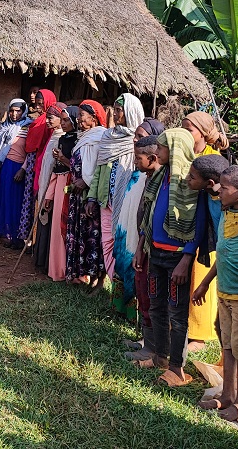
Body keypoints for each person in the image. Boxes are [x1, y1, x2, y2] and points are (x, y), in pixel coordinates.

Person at [192, 165, 238, 421]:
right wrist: (205, 283)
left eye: (225, 188)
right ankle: (227, 395)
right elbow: (223, 252)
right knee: (228, 346)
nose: (219, 191)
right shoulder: (226, 211)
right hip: (224, 293)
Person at [134, 128, 201, 387]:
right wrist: (142, 245)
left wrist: (186, 258)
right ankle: (160, 356)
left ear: (174, 150)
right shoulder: (161, 177)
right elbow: (150, 214)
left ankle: (177, 368)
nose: (157, 152)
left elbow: (198, 223)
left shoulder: (190, 182)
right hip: (155, 253)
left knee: (177, 313)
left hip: (176, 258)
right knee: (157, 305)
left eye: (161, 148)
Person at [93, 93, 145, 318]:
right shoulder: (108, 136)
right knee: (108, 246)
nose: (115, 114)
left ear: (131, 112)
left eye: (119, 110)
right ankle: (117, 292)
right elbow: (99, 169)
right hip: (106, 200)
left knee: (124, 247)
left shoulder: (138, 140)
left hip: (126, 204)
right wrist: (92, 197)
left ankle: (129, 301)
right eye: (114, 109)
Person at [182, 111, 228, 350]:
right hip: (188, 222)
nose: (185, 133)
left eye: (189, 129)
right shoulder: (185, 153)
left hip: (208, 224)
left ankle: (199, 334)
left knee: (201, 273)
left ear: (202, 132)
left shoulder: (212, 158)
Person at [124, 135, 163, 363]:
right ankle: (147, 341)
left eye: (138, 158)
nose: (135, 162)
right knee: (142, 290)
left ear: (153, 158)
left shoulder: (162, 181)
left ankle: (153, 348)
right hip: (144, 243)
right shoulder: (149, 178)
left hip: (155, 247)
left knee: (151, 295)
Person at [65, 100, 107, 289]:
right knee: (81, 233)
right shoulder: (84, 137)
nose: (78, 119)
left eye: (82, 115)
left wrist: (86, 181)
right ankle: (83, 275)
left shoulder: (100, 137)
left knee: (92, 235)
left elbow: (99, 167)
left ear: (94, 118)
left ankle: (98, 279)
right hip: (78, 194)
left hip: (91, 195)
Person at [38, 106, 79, 281]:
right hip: (60, 184)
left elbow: (79, 169)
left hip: (73, 186)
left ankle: (69, 270)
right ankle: (57, 270)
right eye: (61, 120)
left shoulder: (79, 141)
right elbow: (56, 169)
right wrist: (49, 195)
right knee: (57, 228)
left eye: (66, 120)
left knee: (69, 228)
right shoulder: (62, 139)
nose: (62, 123)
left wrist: (63, 158)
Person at [19, 90, 58, 249]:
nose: (39, 107)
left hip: (44, 164)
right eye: (37, 104)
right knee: (30, 199)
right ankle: (27, 238)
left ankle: (36, 241)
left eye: (42, 104)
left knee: (39, 201)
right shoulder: (39, 121)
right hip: (33, 163)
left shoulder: (50, 122)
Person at [0, 98, 31, 249]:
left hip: (19, 168)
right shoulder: (4, 126)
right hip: (5, 166)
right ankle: (5, 233)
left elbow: (31, 152)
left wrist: (23, 169)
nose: (14, 114)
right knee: (4, 199)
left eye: (18, 111)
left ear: (23, 111)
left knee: (17, 201)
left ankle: (17, 235)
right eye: (12, 111)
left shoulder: (28, 126)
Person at [32, 103, 65, 274]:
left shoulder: (62, 139)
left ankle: (48, 263)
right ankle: (40, 260)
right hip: (45, 184)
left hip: (52, 188)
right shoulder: (53, 136)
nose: (47, 121)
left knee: (50, 221)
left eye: (51, 118)